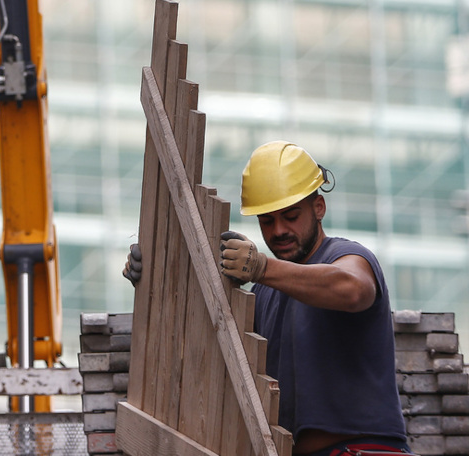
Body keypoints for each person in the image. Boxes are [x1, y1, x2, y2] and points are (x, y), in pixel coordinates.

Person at [123, 140, 411, 456]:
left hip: (362, 450)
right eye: (267, 220)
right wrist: (154, 282)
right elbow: (205, 351)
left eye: (290, 216)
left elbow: (354, 289)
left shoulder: (345, 256)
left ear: (319, 208)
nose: (278, 231)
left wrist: (261, 267)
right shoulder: (264, 292)